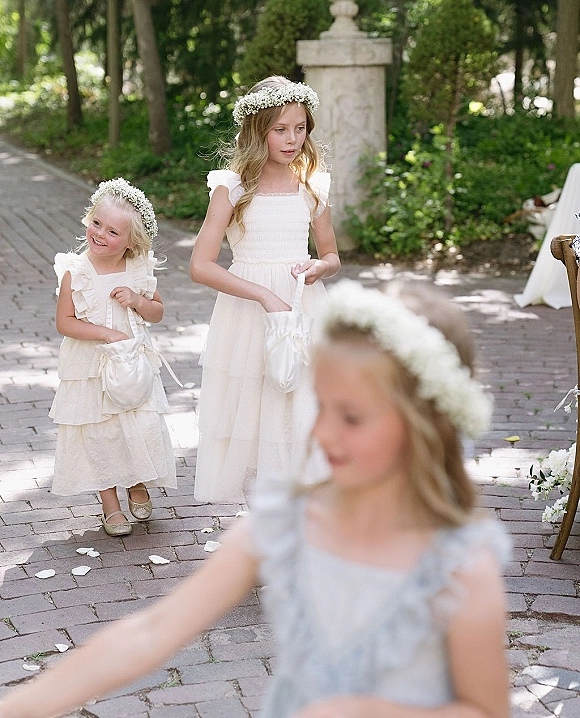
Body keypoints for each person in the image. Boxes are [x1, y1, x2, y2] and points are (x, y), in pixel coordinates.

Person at [0, 279, 510, 718]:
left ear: (426, 426)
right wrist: (22, 705)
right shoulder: (286, 524)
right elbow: (152, 631)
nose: (325, 433)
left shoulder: (459, 566)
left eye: (351, 417)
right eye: (322, 407)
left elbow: (485, 709)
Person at [189, 75, 341, 502]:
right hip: (247, 314)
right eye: (280, 129)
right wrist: (262, 294)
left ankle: (300, 511)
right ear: (258, 130)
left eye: (300, 128)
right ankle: (262, 516)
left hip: (302, 306)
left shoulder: (312, 184)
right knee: (255, 408)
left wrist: (318, 266)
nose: (292, 138)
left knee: (302, 405)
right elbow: (200, 266)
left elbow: (332, 256)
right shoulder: (233, 188)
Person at [49, 177, 177, 537]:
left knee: (139, 423)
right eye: (96, 223)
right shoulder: (75, 271)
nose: (100, 234)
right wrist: (105, 332)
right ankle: (110, 504)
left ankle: (137, 482)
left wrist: (137, 301)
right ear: (88, 219)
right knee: (99, 433)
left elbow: (157, 312)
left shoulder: (138, 269)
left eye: (113, 232)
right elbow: (65, 322)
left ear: (132, 242)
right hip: (89, 367)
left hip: (130, 364)